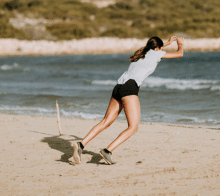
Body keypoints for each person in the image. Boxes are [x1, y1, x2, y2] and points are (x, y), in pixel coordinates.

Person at [73, 36, 184, 164]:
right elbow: (179, 54)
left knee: (105, 122)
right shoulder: (155, 54)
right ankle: (107, 151)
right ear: (158, 48)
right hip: (130, 88)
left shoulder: (142, 53)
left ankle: (81, 144)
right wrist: (180, 44)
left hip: (118, 87)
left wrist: (167, 43)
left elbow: (154, 49)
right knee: (133, 127)